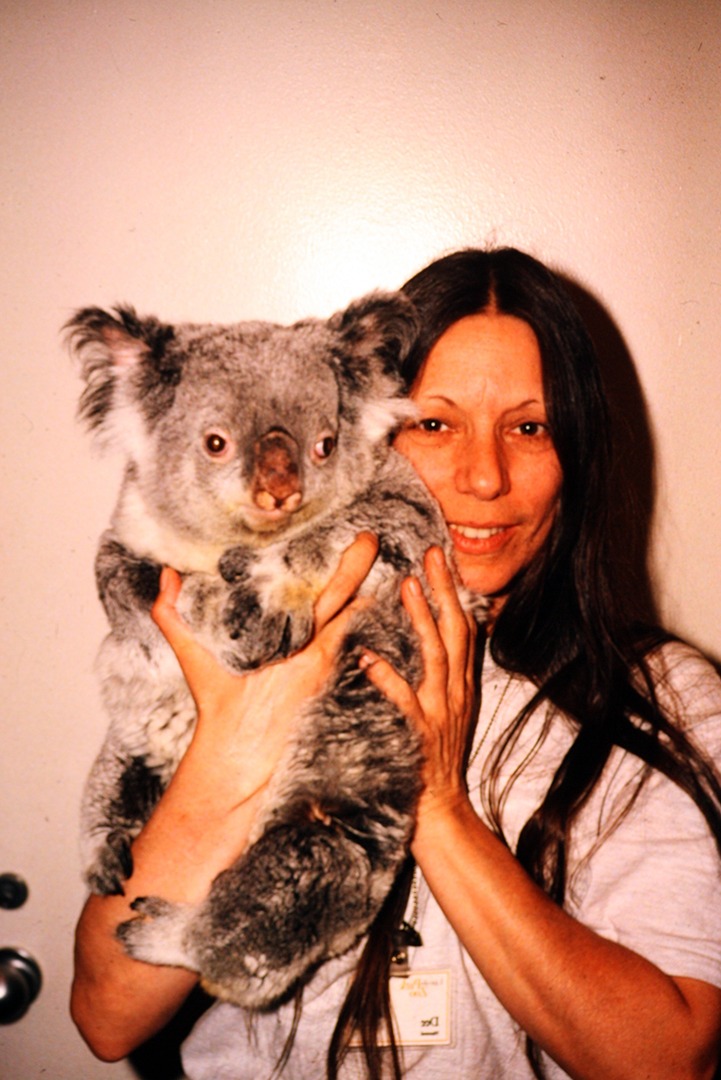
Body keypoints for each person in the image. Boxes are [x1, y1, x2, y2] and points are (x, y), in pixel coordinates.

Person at [70, 248, 721, 1080]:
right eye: (435, 425)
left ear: (578, 452)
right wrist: (239, 732)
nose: (483, 477)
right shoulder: (236, 624)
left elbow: (666, 1063)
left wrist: (439, 805)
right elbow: (108, 1015)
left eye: (529, 428)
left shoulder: (662, 698)